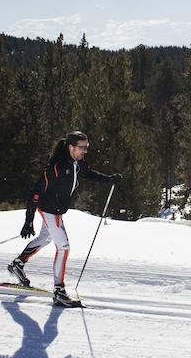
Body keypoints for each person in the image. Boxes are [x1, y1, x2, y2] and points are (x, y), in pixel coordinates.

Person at [8, 131, 120, 307]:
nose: (85, 151)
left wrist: (108, 179)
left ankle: (18, 264)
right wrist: (28, 221)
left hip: (57, 210)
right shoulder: (56, 167)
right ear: (71, 147)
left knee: (46, 238)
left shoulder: (77, 162)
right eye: (82, 148)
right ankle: (59, 291)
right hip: (49, 210)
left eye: (86, 148)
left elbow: (87, 173)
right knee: (64, 247)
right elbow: (35, 193)